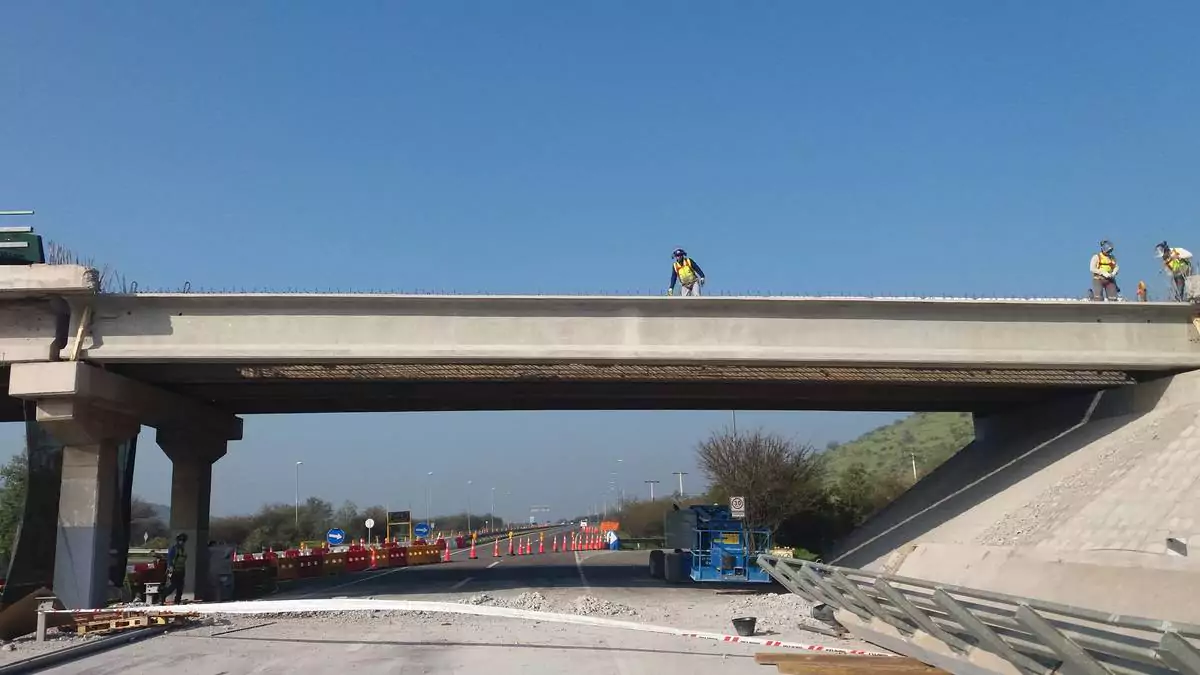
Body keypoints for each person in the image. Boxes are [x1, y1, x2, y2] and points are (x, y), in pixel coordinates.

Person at [161, 533, 188, 605]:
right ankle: (163, 596)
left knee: (180, 587)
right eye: (180, 540)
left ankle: (177, 600)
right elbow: (170, 559)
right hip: (174, 570)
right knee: (174, 585)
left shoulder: (183, 550)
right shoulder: (174, 549)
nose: (181, 542)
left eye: (183, 540)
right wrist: (170, 569)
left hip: (181, 570)